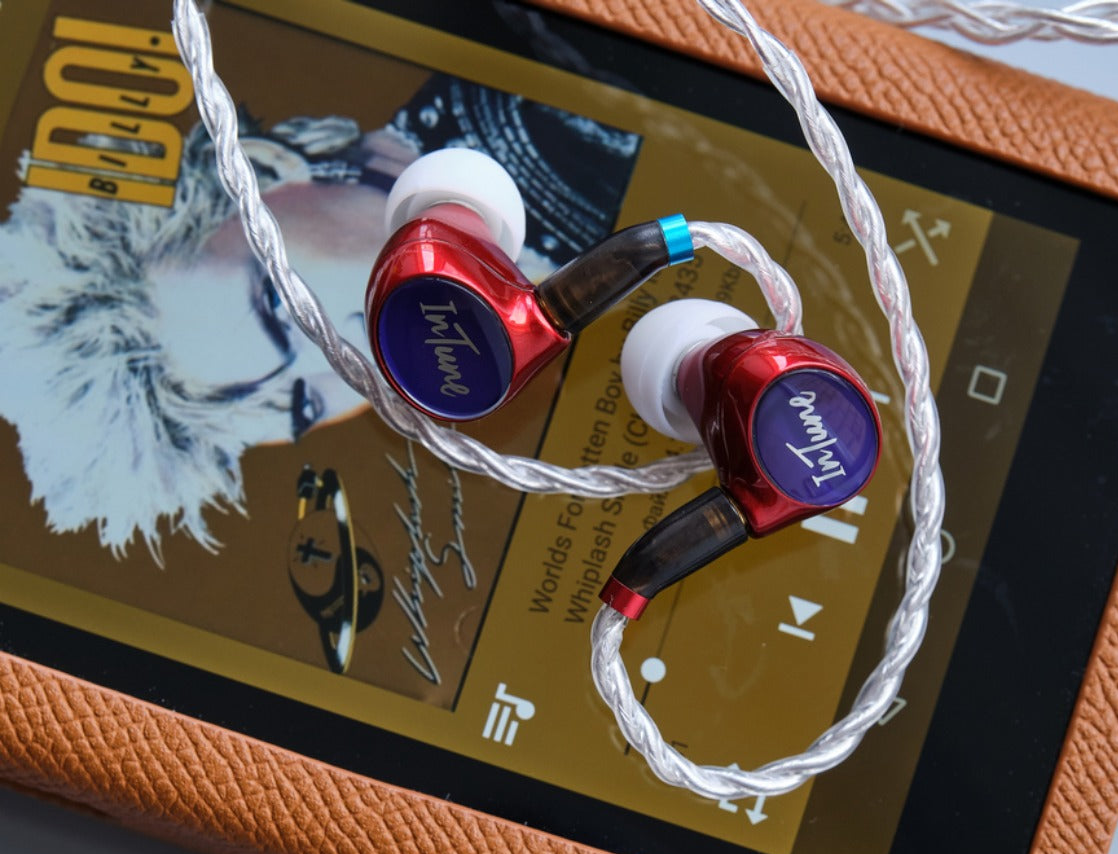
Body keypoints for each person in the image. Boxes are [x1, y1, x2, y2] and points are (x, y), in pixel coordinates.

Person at [0, 75, 640, 562]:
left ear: (265, 173)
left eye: (280, 312)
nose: (346, 361)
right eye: (305, 404)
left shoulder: (541, 91)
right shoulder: (553, 355)